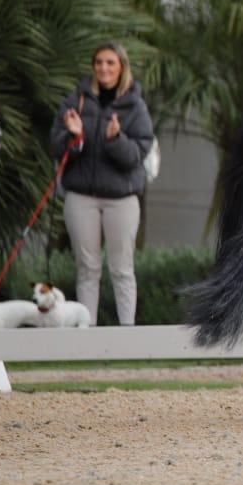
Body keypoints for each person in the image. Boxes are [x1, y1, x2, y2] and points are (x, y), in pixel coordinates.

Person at [49, 43, 155, 326]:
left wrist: (115, 139)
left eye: (110, 62)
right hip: (81, 197)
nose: (104, 68)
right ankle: (87, 336)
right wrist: (75, 137)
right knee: (87, 269)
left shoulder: (135, 106)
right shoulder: (77, 100)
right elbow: (57, 148)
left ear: (122, 67)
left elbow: (136, 156)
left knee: (122, 269)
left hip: (121, 199)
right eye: (99, 62)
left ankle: (127, 335)